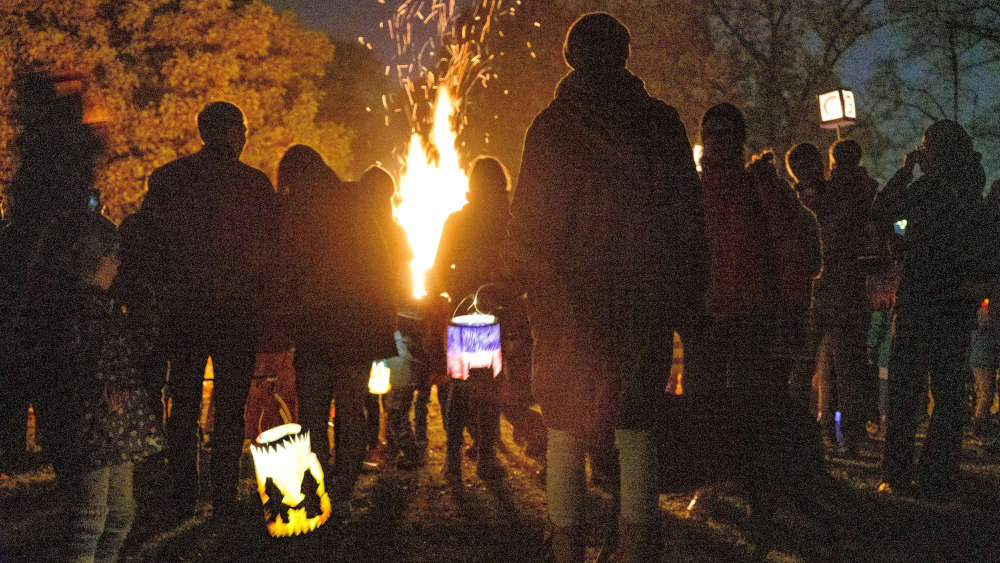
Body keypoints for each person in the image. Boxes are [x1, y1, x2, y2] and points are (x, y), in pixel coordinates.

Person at [508, 13, 706, 561]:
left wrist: (531, 287)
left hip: (568, 306)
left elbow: (528, 226)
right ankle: (637, 546)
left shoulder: (552, 128)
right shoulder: (661, 124)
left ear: (571, 58)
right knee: (637, 425)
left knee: (566, 428)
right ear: (624, 55)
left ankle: (567, 547)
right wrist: (687, 298)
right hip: (644, 299)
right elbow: (687, 219)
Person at [131, 101, 277, 520]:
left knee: (184, 401)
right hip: (236, 312)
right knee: (230, 408)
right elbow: (271, 248)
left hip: (184, 310)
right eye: (242, 129)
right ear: (230, 132)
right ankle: (224, 495)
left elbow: (148, 241)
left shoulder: (168, 179)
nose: (245, 137)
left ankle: (184, 491)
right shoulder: (253, 184)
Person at [693, 104, 824, 557]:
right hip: (708, 317)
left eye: (725, 132)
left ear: (739, 138)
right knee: (708, 404)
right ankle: (717, 483)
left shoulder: (757, 186)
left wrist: (791, 309)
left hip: (752, 316)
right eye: (711, 133)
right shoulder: (694, 189)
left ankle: (761, 496)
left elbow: (793, 246)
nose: (717, 140)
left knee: (753, 409)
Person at [26, 210, 165, 562]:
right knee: (89, 520)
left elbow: (130, 350)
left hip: (114, 427)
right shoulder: (68, 310)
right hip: (88, 429)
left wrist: (144, 312)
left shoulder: (105, 306)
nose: (118, 263)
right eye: (113, 254)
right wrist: (95, 387)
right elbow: (63, 366)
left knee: (120, 514)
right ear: (91, 258)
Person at [275, 146, 397, 516]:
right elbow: (380, 259)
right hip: (356, 323)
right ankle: (343, 487)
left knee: (312, 410)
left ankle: (319, 484)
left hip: (316, 323)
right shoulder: (355, 201)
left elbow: (287, 265)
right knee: (350, 408)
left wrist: (285, 313)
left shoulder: (297, 211)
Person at [873, 119, 989, 498]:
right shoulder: (973, 190)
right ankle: (938, 474)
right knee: (949, 394)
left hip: (920, 300)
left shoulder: (928, 189)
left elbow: (882, 212)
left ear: (935, 150)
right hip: (955, 304)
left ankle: (897, 472)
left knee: (906, 392)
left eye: (926, 146)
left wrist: (904, 172)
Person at [428, 156, 515, 482]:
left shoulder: (457, 221)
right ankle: (485, 457)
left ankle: (454, 459)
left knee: (461, 386)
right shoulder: (505, 222)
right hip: (495, 311)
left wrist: (448, 294)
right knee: (490, 388)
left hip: (464, 311)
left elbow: (438, 267)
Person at [787, 141, 875, 454]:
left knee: (805, 365)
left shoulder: (796, 202)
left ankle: (800, 433)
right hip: (842, 289)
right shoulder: (842, 193)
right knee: (845, 367)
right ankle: (849, 436)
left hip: (811, 292)